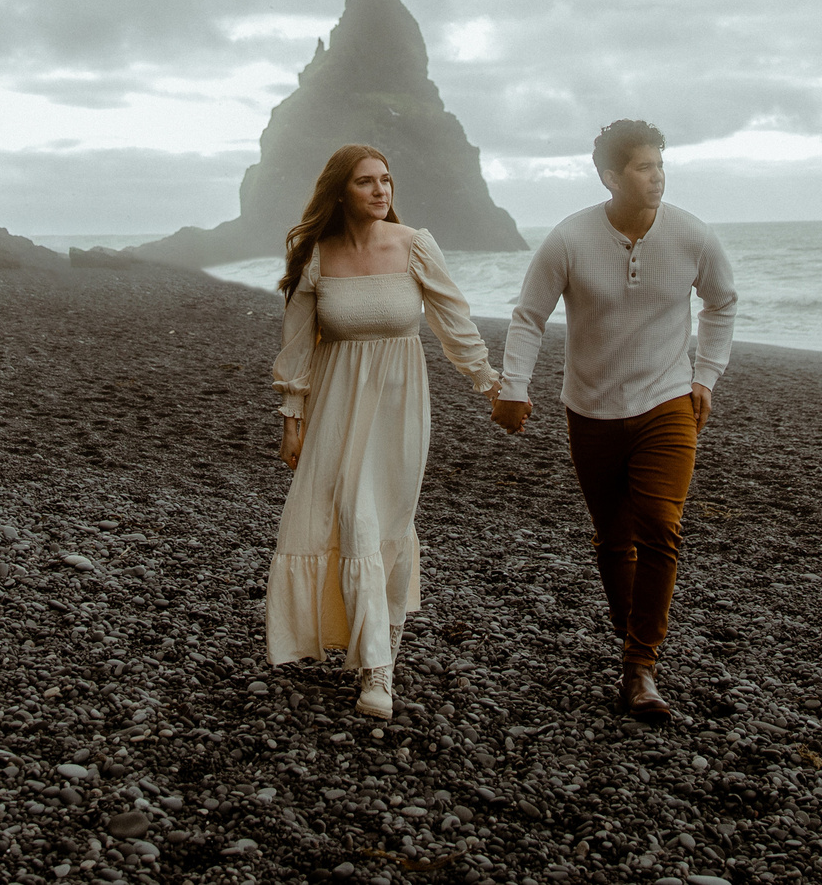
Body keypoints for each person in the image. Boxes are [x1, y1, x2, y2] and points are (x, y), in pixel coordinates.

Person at [490, 118, 737, 722]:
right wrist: (514, 387)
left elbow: (722, 302)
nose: (657, 177)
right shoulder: (569, 239)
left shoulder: (693, 235)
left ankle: (639, 667)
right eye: (643, 167)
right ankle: (635, 639)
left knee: (660, 526)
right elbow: (529, 315)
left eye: (660, 165)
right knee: (613, 538)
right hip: (590, 408)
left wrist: (705, 375)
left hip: (667, 401)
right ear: (610, 176)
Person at [267, 142, 501, 718]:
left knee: (389, 523)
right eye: (366, 181)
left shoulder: (413, 245)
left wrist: (490, 383)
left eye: (386, 180)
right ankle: (376, 667)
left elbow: (453, 320)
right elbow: (296, 347)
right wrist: (292, 419)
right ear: (340, 192)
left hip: (401, 406)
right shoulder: (314, 255)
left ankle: (382, 649)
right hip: (336, 405)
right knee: (353, 516)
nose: (381, 190)